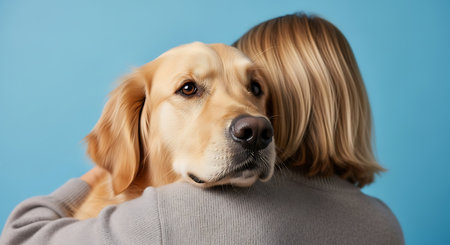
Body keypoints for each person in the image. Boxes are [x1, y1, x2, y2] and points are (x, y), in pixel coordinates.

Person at [0, 13, 404, 245]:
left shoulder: (186, 214)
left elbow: (20, 238)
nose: (251, 121)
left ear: (281, 105)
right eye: (190, 89)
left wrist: (92, 179)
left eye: (255, 89)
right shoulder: (384, 224)